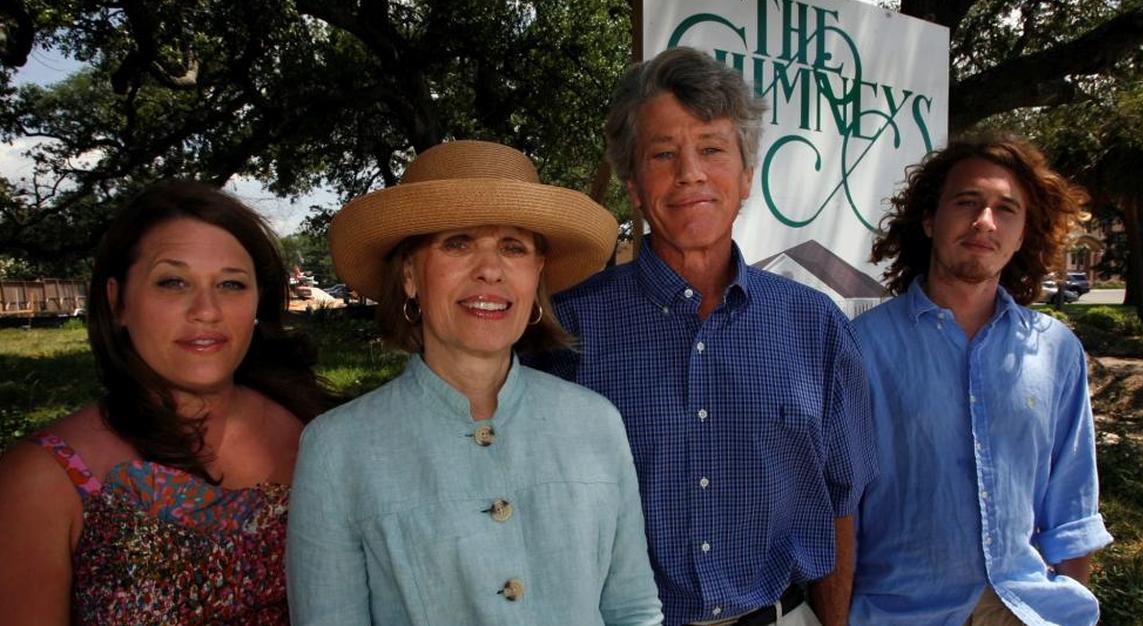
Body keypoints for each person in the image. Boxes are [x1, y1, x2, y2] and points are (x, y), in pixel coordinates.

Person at [537, 47, 877, 626]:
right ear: (634, 185)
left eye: (713, 150)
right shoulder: (567, 332)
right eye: (663, 154)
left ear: (747, 177)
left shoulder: (815, 326)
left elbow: (840, 500)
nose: (690, 172)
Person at [286, 140, 663, 626]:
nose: (490, 270)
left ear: (537, 276)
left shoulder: (597, 423)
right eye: (458, 243)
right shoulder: (338, 450)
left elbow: (632, 609)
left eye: (513, 247)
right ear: (409, 275)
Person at [0, 181, 334, 625]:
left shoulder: (322, 435)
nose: (206, 310)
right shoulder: (40, 481)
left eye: (231, 284)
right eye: (173, 282)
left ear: (258, 302)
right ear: (117, 301)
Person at [849, 134, 1113, 625]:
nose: (984, 222)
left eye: (1005, 209)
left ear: (1022, 233)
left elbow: (1072, 507)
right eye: (967, 202)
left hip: (1024, 609)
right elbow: (841, 512)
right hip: (898, 612)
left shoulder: (1056, 350)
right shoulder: (862, 346)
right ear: (930, 219)